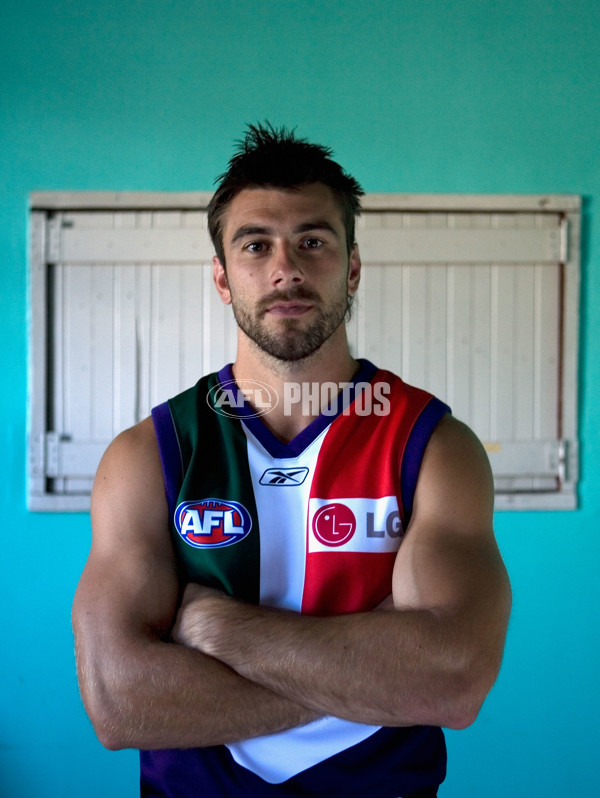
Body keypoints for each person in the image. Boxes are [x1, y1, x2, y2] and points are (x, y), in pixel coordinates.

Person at [72, 123, 511, 797]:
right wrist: (372, 674)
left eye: (313, 240)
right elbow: (121, 703)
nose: (287, 268)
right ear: (222, 277)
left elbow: (450, 685)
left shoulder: (433, 447)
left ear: (352, 267)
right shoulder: (148, 455)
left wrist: (222, 630)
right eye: (256, 245)